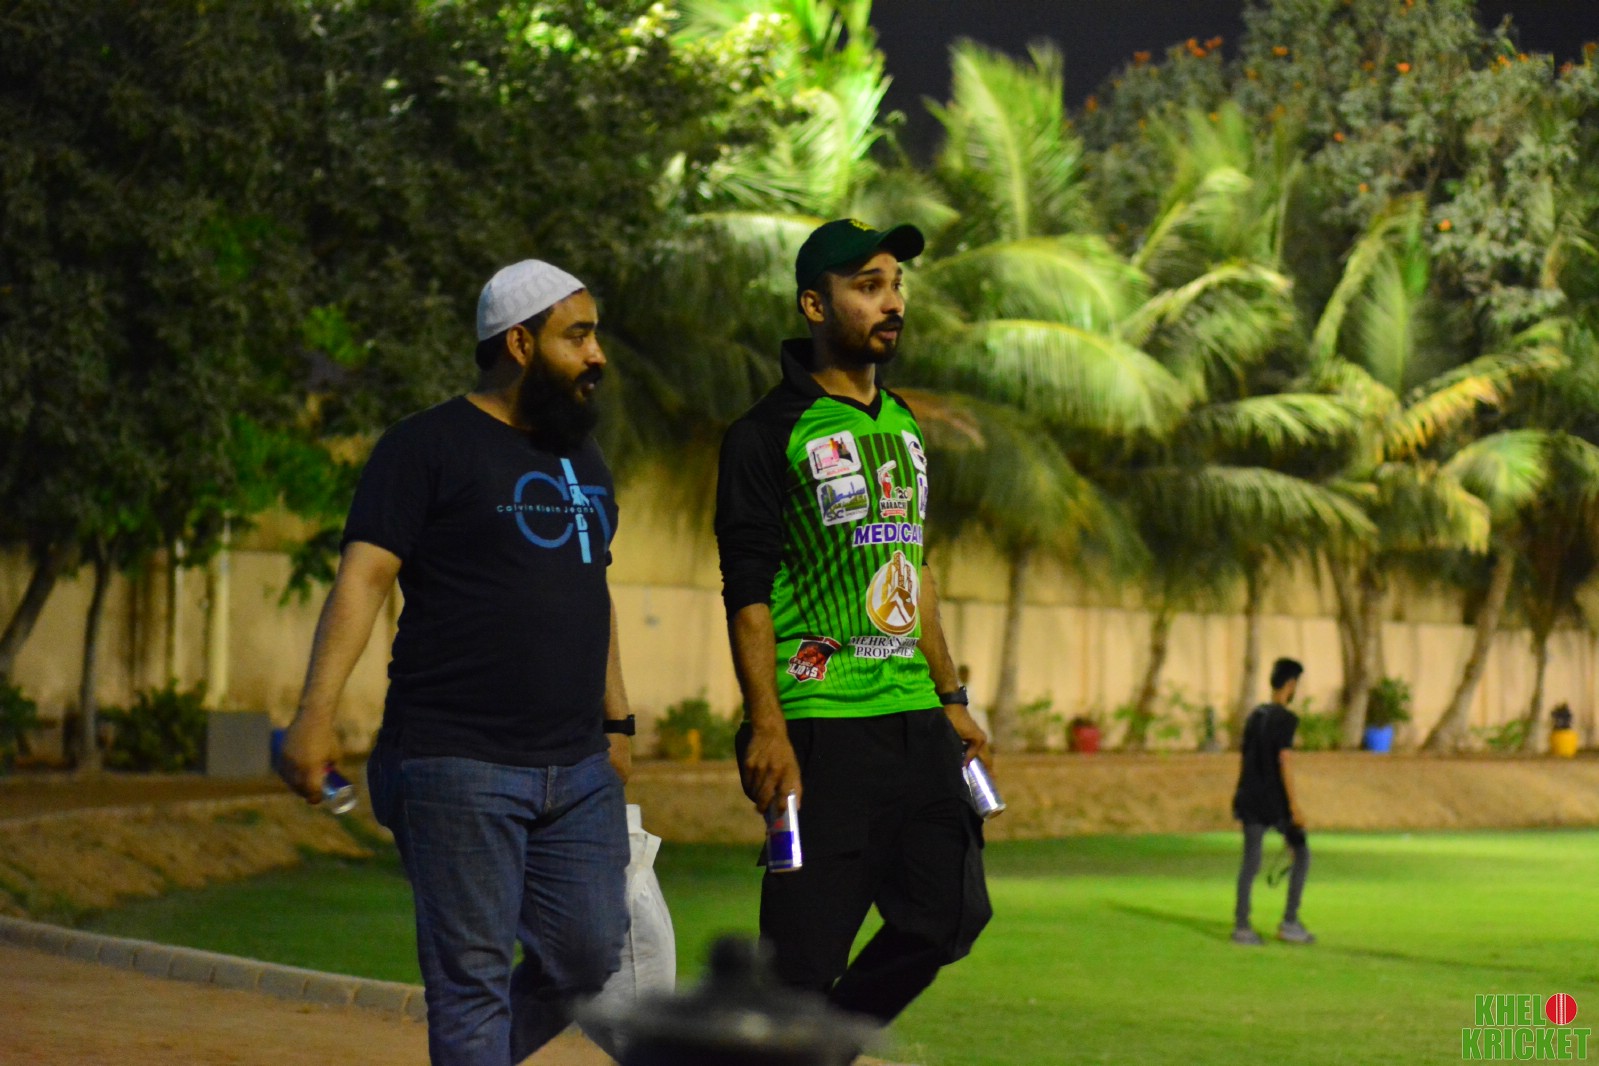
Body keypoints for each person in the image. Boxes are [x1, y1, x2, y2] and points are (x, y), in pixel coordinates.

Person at [277, 259, 635, 1066]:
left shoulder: (583, 458)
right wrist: (314, 716)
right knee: (470, 983)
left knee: (585, 960)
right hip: (455, 759)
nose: (597, 355)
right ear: (519, 343)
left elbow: (593, 587)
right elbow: (364, 579)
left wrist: (618, 721)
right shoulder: (425, 446)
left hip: (577, 767)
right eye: (577, 336)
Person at [714, 218, 993, 1024]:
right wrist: (766, 725)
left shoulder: (901, 423)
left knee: (947, 917)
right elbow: (745, 590)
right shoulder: (767, 432)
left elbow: (915, 569)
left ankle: (818, 1050)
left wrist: (950, 695)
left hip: (914, 719)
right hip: (821, 726)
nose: (892, 302)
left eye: (896, 285)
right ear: (814, 304)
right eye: (868, 287)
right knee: (799, 964)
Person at [1231, 656, 1314, 946]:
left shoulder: (1254, 716)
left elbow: (1245, 758)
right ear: (1290, 684)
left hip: (1249, 797)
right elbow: (1284, 763)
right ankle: (1289, 922)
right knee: (1301, 854)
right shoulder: (1286, 720)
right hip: (1275, 801)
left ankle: (1242, 927)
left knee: (1250, 863)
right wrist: (1294, 806)